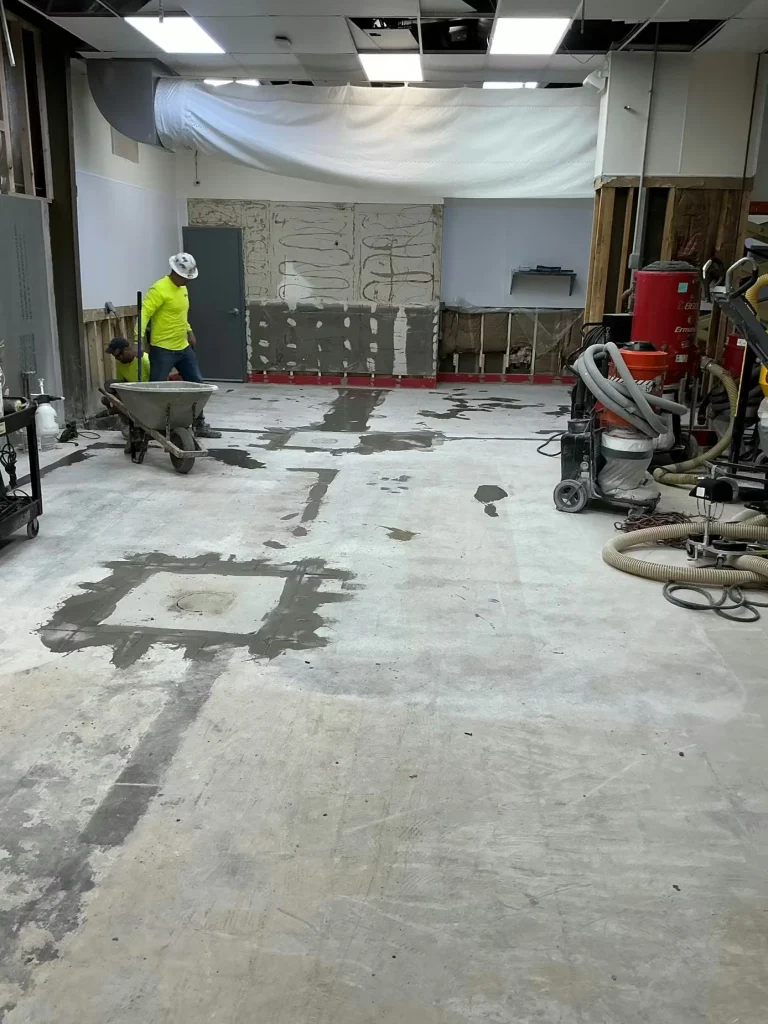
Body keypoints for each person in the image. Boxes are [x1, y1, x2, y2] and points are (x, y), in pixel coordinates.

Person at [140, 253, 221, 438]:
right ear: (175, 272)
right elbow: (144, 314)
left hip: (182, 347)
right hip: (162, 349)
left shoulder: (182, 288)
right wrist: (137, 339)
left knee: (198, 385)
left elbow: (180, 315)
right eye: (185, 277)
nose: (187, 280)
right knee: (157, 390)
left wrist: (189, 330)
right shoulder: (159, 289)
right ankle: (154, 428)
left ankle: (199, 424)